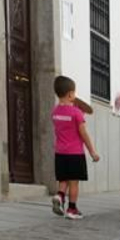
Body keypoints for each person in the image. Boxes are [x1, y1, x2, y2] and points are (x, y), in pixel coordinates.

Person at [50, 76, 100, 220]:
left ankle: (59, 196)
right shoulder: (76, 113)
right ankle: (72, 209)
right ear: (71, 94)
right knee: (74, 182)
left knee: (63, 180)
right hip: (75, 153)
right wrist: (92, 152)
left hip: (60, 153)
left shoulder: (55, 112)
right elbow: (83, 134)